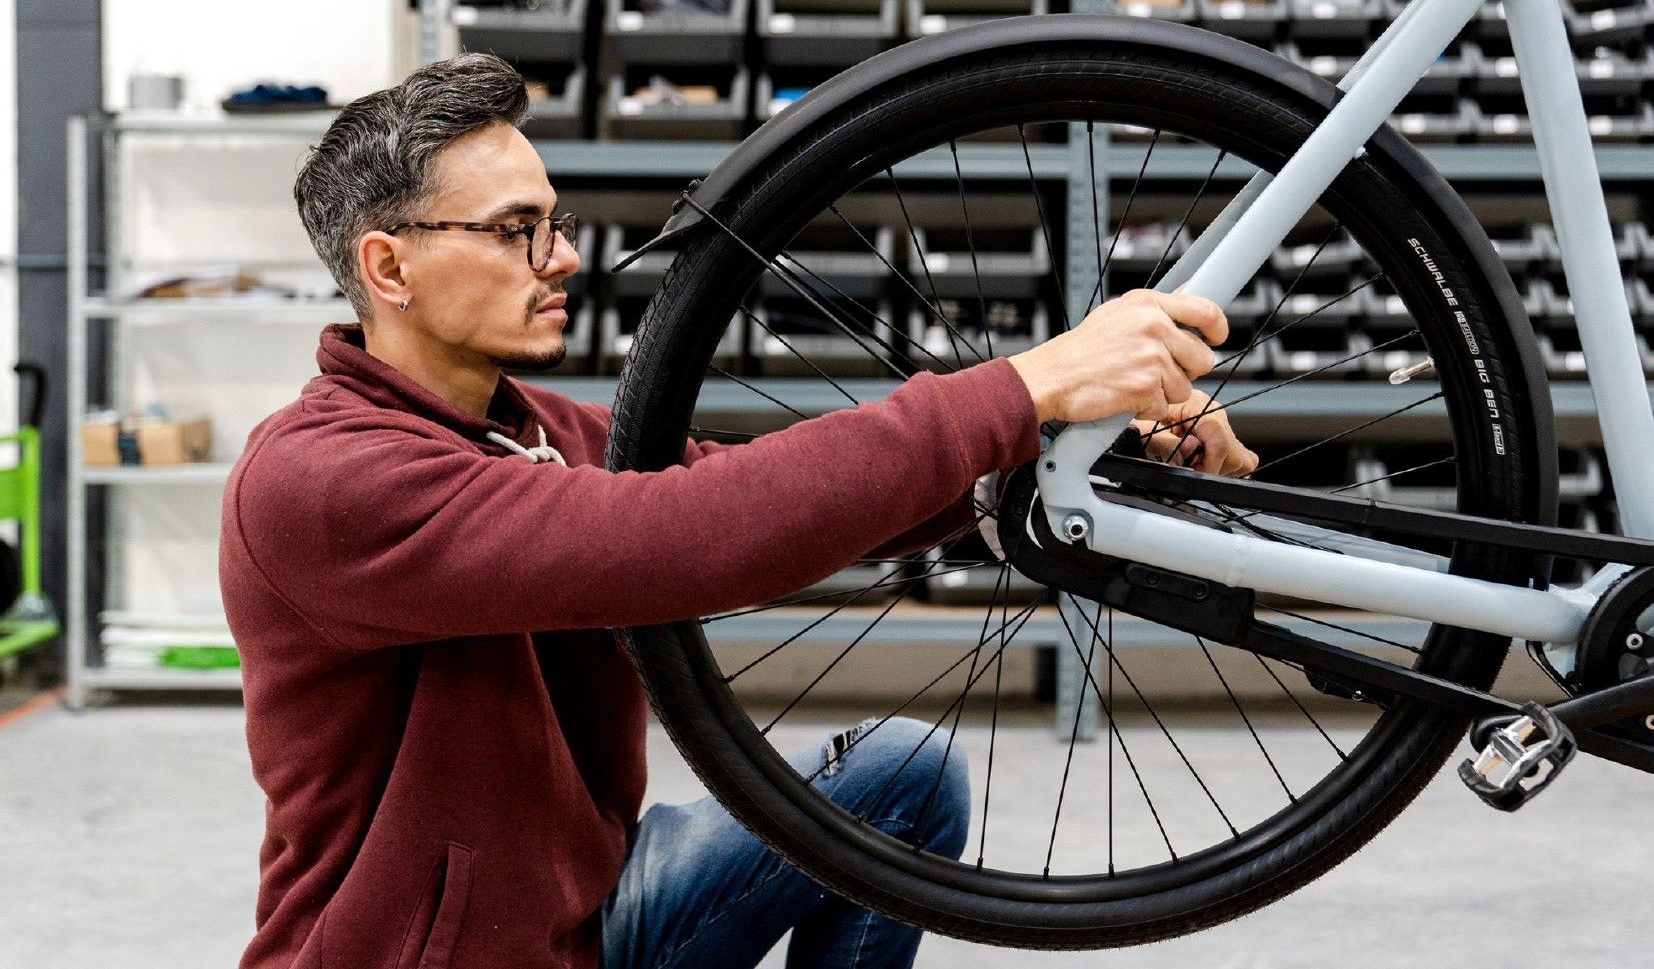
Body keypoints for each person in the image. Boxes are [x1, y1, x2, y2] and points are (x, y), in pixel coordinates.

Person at [219, 53, 1257, 969]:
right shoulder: (321, 482)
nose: (564, 257)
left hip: (587, 909)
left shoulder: (529, 429)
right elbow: (677, 535)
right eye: (513, 232)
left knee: (903, 774)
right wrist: (1019, 386)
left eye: (557, 223)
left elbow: (769, 499)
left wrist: (1056, 445)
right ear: (386, 267)